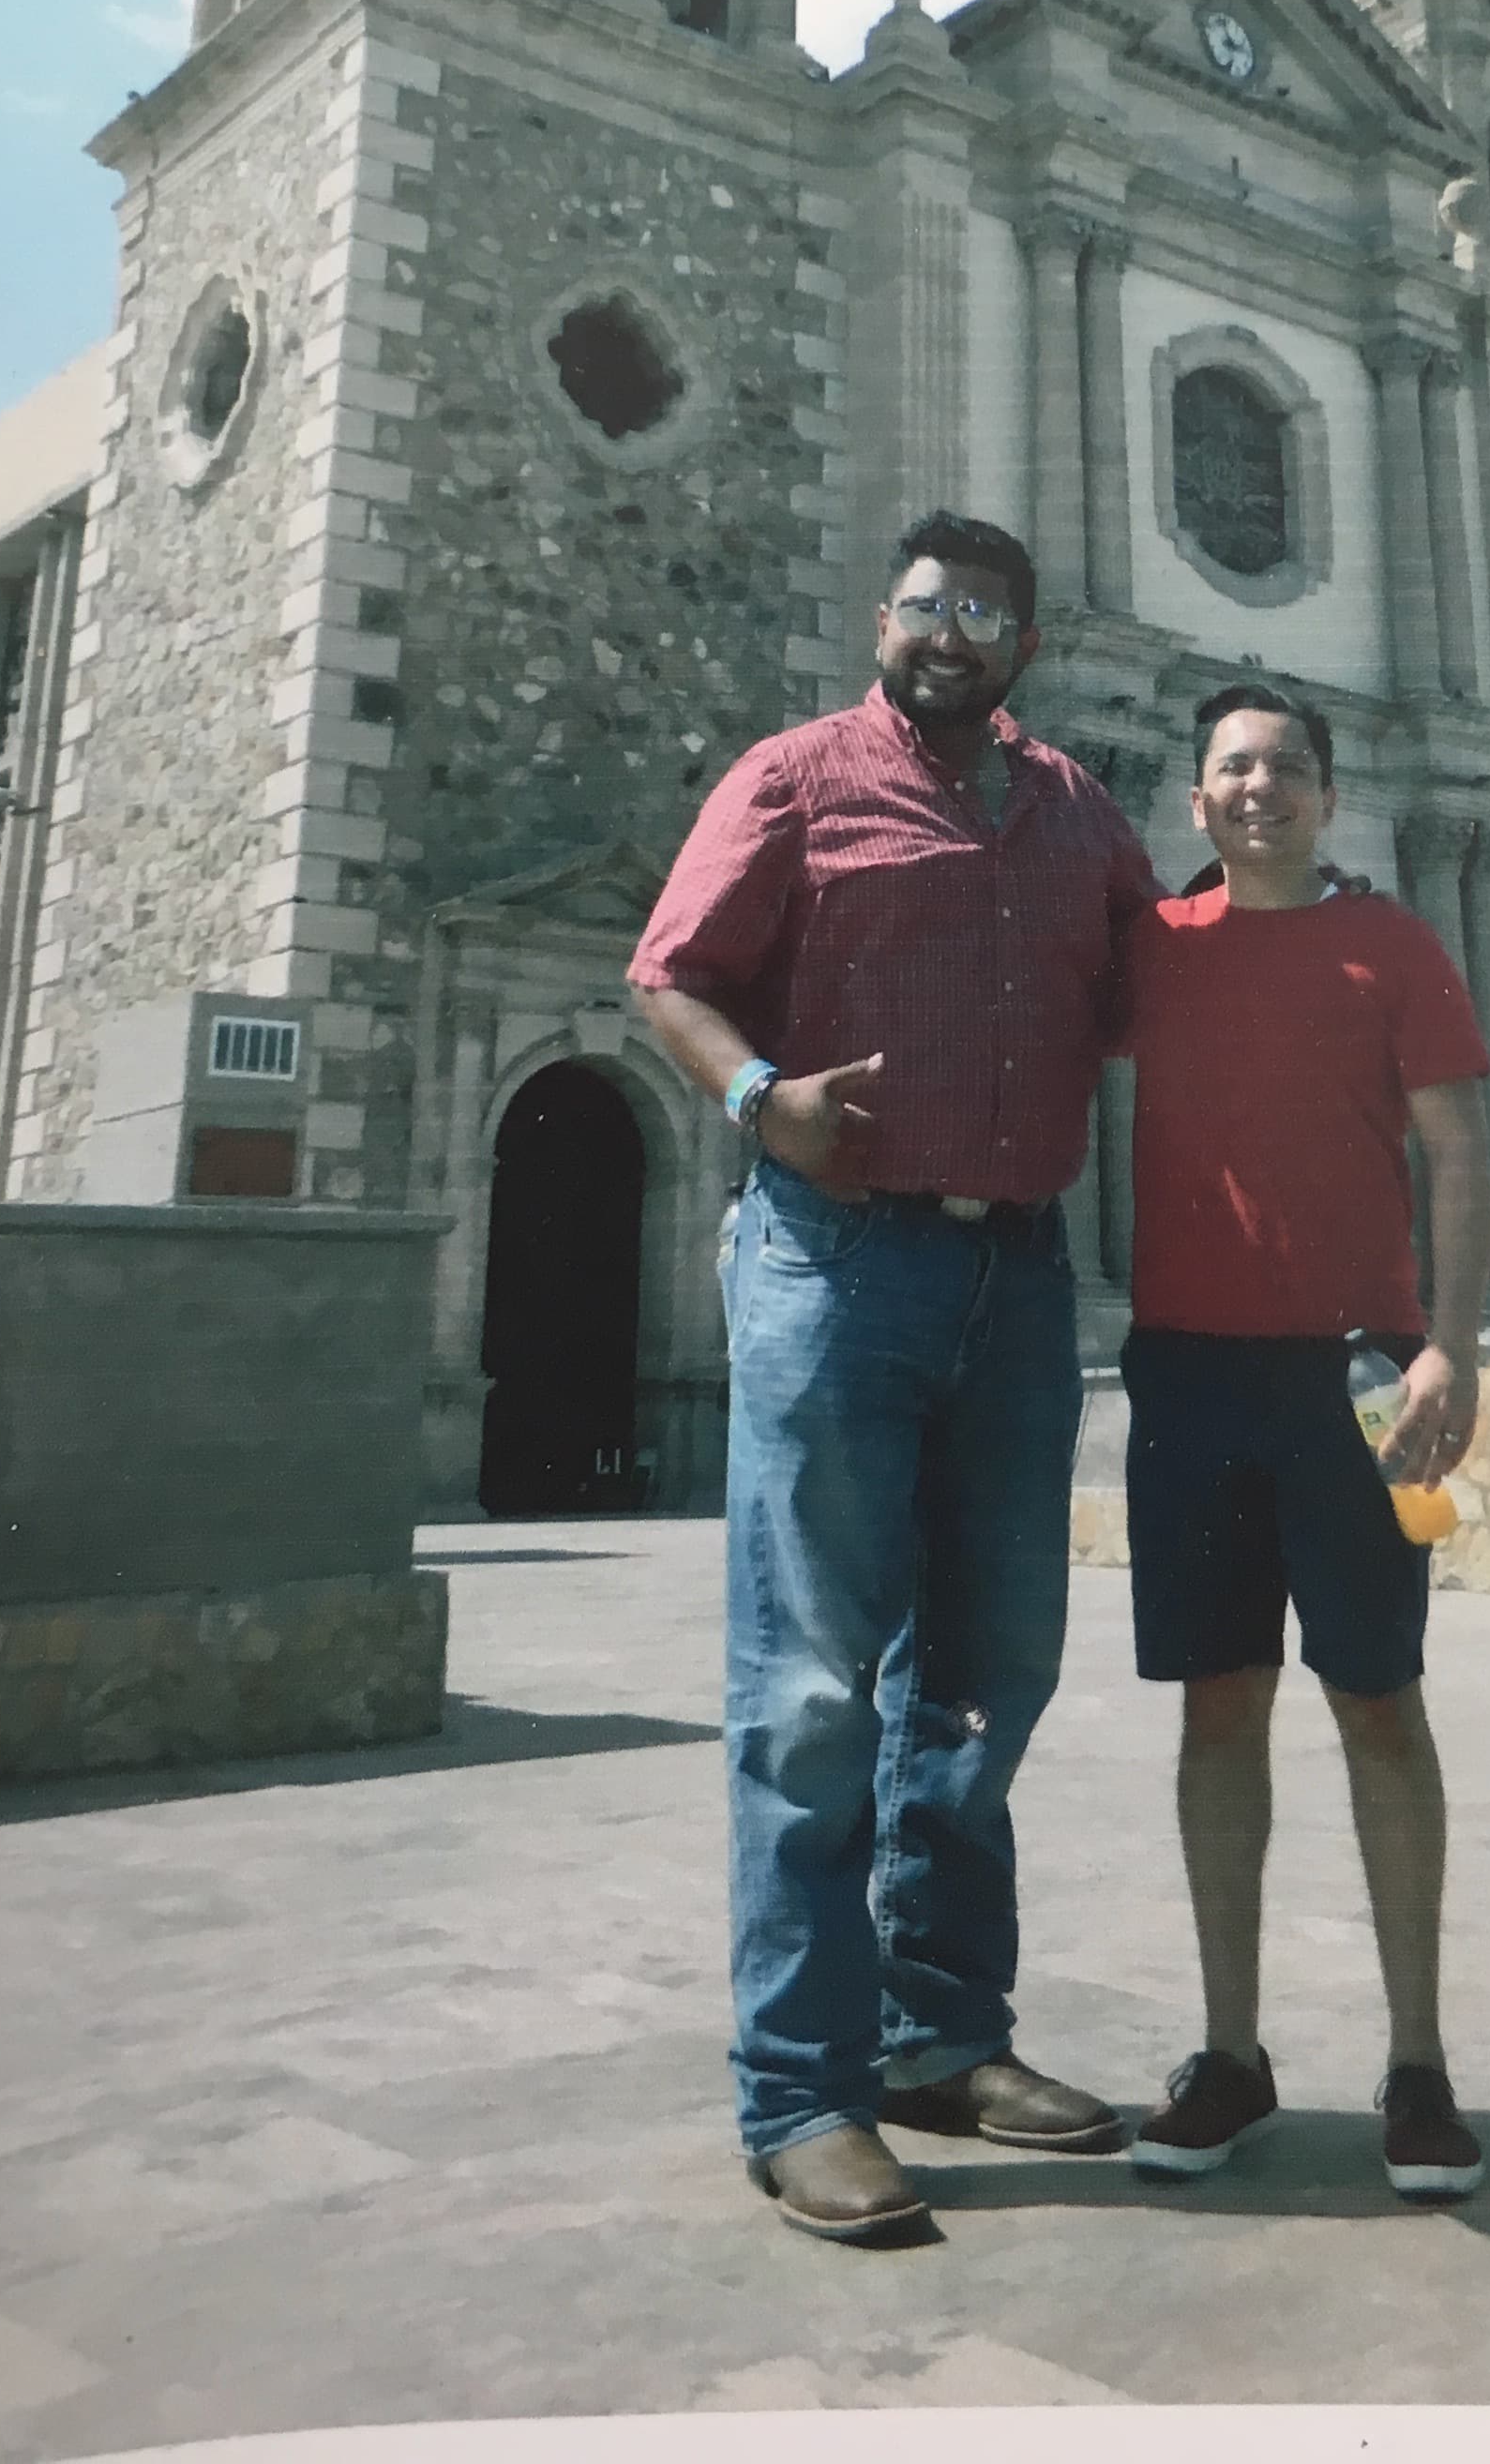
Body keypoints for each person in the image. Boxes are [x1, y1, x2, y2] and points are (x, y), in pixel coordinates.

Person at [628, 514, 1154, 2246]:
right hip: (835, 1260)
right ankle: (802, 2092)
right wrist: (754, 1097)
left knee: (987, 1679)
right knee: (812, 1686)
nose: (950, 629)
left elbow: (1155, 986)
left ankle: (941, 2039)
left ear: (1024, 646)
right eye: (926, 604)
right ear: (883, 622)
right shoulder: (794, 778)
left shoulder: (1078, 812)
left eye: (983, 611)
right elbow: (670, 975)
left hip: (1020, 1277)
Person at [1118, 682, 1490, 2202]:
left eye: (1286, 766)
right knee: (1217, 1711)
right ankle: (1231, 2054)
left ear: (1330, 798)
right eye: (1232, 767)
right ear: (1195, 800)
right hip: (1188, 1376)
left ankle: (1418, 2065)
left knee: (1379, 1704)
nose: (1258, 787)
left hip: (1356, 1382)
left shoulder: (1395, 945)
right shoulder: (1153, 947)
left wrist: (1452, 1345)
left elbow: (1459, 1150)